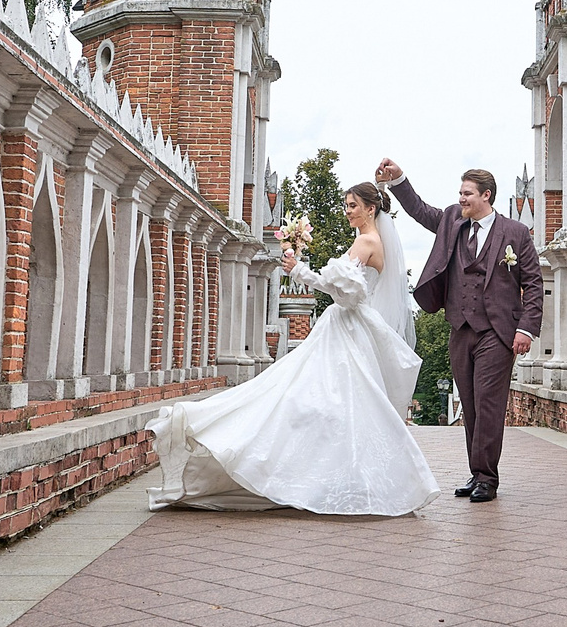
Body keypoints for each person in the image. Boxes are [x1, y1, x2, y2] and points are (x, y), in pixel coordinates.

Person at [147, 181, 439, 514]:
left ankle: (300, 471)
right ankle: (341, 476)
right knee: (336, 404)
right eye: (346, 205)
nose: (347, 211)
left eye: (353, 205)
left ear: (370, 209)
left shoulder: (366, 241)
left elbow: (346, 294)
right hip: (353, 328)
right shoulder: (376, 241)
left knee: (307, 397)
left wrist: (299, 270)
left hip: (346, 327)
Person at [377, 160, 541, 502]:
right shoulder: (452, 220)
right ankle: (476, 471)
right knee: (470, 404)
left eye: (467, 194)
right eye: (460, 193)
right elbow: (421, 211)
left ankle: (487, 478)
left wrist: (526, 328)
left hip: (498, 332)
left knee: (488, 403)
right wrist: (399, 180)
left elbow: (533, 283)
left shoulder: (516, 233)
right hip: (460, 328)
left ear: (486, 196)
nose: (461, 199)